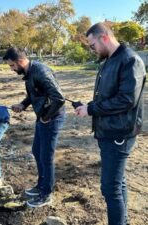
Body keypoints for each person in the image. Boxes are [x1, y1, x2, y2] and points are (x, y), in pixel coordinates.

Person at [75, 23, 146, 225]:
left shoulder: (130, 60)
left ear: (104, 37)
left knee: (110, 188)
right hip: (108, 131)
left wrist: (92, 109)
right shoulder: (108, 61)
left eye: (92, 44)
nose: (92, 49)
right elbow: (107, 96)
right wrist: (88, 106)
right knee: (118, 182)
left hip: (119, 133)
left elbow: (126, 100)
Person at [3, 47, 66, 208]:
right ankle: (41, 185)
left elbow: (59, 98)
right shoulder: (30, 73)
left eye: (12, 66)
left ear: (20, 61)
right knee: (37, 151)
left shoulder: (41, 72)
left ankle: (46, 194)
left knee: (46, 156)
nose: (12, 69)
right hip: (42, 117)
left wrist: (46, 117)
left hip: (51, 118)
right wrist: (22, 105)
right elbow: (33, 94)